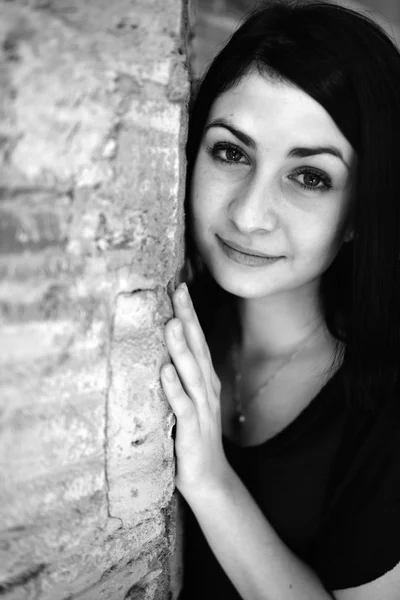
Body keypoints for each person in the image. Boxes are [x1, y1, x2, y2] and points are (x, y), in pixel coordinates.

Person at [160, 1, 400, 598]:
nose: (248, 214)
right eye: (231, 152)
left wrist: (214, 483)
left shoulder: (386, 409)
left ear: (357, 217)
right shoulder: (166, 320)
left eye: (310, 177)